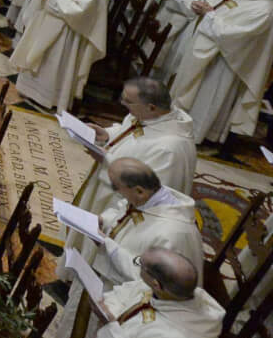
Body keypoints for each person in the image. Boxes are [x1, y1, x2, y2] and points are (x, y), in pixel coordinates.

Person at [60, 77, 198, 270]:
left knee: (98, 255)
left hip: (120, 202)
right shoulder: (152, 116)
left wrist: (107, 160)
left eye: (128, 101)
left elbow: (149, 192)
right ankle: (72, 272)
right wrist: (108, 134)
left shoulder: (171, 149)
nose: (123, 104)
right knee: (85, 239)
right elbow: (133, 132)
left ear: (151, 107)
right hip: (106, 192)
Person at [173, 0, 273, 143]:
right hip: (207, 49)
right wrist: (200, 6)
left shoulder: (263, 9)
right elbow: (217, 7)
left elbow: (235, 34)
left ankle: (197, 135)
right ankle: (175, 123)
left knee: (207, 98)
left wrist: (209, 15)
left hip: (225, 60)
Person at [10, 0, 111, 111]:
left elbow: (80, 11)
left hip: (67, 30)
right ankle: (28, 89)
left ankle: (49, 98)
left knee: (53, 64)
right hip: (50, 19)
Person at [92, 249, 224, 338]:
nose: (137, 265)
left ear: (156, 285)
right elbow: (128, 292)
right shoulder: (171, 292)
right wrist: (108, 310)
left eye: (139, 264)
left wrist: (111, 331)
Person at [92, 159, 203, 287]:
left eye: (116, 187)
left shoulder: (171, 235)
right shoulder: (150, 197)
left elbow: (150, 280)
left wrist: (107, 245)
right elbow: (125, 213)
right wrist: (104, 220)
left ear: (139, 191)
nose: (116, 191)